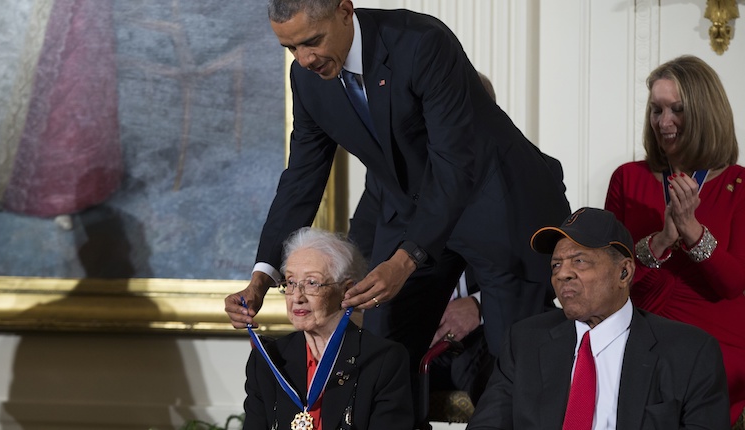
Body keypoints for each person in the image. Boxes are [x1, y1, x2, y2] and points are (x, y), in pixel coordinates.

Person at [225, 1, 570, 417]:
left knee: (514, 365)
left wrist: (406, 259)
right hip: (417, 211)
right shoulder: (308, 78)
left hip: (496, 205)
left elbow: (455, 163)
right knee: (382, 355)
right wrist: (263, 275)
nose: (304, 59)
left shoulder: (422, 42)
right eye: (291, 48)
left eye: (312, 41)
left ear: (344, 11)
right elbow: (301, 177)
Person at [468, 207, 730, 429]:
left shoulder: (689, 352)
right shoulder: (524, 341)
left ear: (624, 273)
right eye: (556, 265)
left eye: (579, 261)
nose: (562, 274)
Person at [604, 54, 745, 424]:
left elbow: (733, 285)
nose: (663, 123)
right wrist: (662, 240)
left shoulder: (740, 185)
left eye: (676, 110)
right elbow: (609, 275)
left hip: (716, 336)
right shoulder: (627, 179)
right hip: (639, 325)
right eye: (656, 110)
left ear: (704, 112)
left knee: (681, 377)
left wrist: (693, 231)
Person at [243, 227, 413, 430]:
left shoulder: (382, 360)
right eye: (290, 282)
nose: (297, 297)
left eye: (312, 283)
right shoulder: (267, 360)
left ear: (346, 290)